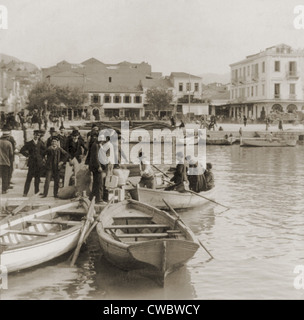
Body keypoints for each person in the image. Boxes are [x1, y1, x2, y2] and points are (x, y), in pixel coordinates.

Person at [20, 130, 46, 197]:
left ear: (39, 136)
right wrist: (28, 155)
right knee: (29, 178)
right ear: (33, 135)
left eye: (38, 135)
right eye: (35, 135)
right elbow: (22, 150)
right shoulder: (29, 143)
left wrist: (41, 157)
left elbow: (45, 151)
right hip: (31, 163)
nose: (36, 136)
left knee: (37, 178)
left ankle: (36, 192)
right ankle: (25, 192)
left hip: (38, 163)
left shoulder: (41, 143)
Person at [89, 132, 105, 204]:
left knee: (96, 183)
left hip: (94, 166)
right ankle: (99, 199)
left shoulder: (98, 144)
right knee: (99, 183)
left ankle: (92, 198)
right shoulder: (96, 145)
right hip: (96, 167)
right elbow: (95, 157)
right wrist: (99, 166)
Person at [0, 128, 14, 194]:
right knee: (5, 177)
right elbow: (11, 153)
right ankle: (4, 190)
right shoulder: (9, 143)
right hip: (5, 162)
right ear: (7, 137)